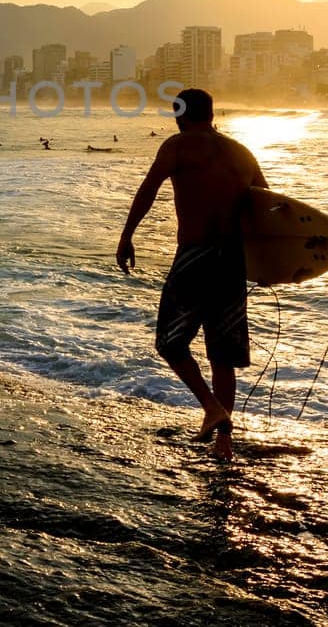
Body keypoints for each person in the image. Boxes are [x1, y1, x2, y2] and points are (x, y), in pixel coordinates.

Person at [116, 88, 266, 461]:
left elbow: (148, 189)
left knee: (170, 342)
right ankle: (223, 444)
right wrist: (273, 263)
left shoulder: (178, 145)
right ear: (212, 114)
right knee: (222, 355)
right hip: (233, 262)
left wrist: (127, 235)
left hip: (195, 256)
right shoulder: (242, 152)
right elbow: (267, 206)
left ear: (179, 115)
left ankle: (211, 409)